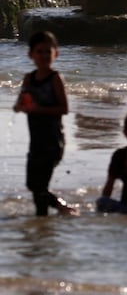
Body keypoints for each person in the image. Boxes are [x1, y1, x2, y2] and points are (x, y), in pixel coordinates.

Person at [13, 31, 78, 216]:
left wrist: (37, 109)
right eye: (39, 51)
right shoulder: (29, 79)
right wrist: (20, 106)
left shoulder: (55, 78)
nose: (43, 56)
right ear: (30, 54)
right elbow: (20, 104)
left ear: (55, 54)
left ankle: (57, 211)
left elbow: (64, 109)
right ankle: (48, 218)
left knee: (39, 186)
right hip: (36, 142)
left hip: (52, 141)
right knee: (32, 185)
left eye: (47, 52)